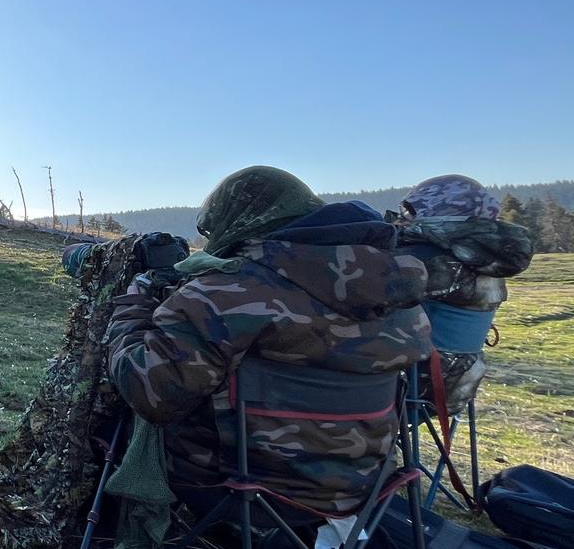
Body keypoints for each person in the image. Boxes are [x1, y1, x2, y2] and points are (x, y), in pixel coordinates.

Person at [106, 166, 432, 518]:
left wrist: (134, 305)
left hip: (243, 492)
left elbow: (148, 391)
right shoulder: (403, 299)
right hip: (366, 488)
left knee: (110, 419)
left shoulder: (228, 292)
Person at [394, 174, 534, 410]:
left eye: (411, 210)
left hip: (413, 386)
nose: (406, 217)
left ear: (437, 208)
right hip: (458, 384)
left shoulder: (426, 259)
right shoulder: (484, 258)